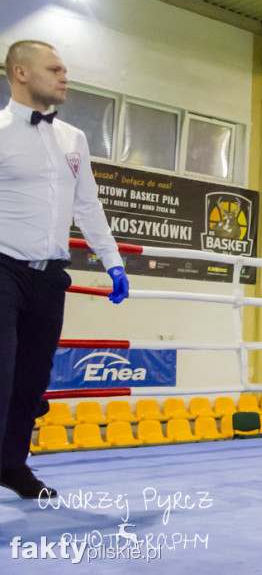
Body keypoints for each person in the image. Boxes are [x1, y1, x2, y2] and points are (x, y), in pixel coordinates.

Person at [0, 41, 129, 500]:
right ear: (20, 72)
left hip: (51, 276)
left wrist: (112, 261)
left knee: (34, 377)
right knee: (2, 369)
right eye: (54, 69)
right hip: (3, 268)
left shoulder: (73, 138)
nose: (64, 76)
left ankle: (12, 465)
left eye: (65, 69)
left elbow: (88, 205)